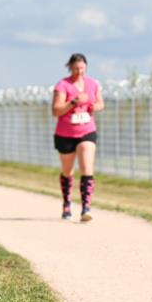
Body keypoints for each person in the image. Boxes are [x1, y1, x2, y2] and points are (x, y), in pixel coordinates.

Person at [51, 53, 104, 221]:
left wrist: (95, 106)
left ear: (86, 67)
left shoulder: (93, 84)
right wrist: (73, 102)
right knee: (67, 171)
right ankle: (67, 203)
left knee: (87, 167)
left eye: (81, 68)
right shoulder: (63, 85)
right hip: (65, 133)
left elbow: (101, 103)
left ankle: (86, 208)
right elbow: (56, 110)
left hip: (87, 130)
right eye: (75, 69)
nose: (79, 72)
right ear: (70, 67)